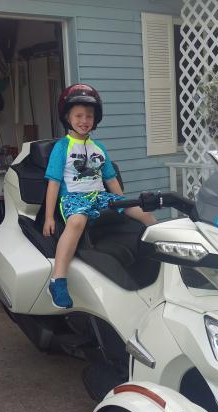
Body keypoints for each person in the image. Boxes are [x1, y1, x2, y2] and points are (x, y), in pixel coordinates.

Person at [42, 83, 156, 308]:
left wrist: (126, 204)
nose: (84, 120)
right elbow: (53, 183)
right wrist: (48, 217)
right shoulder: (62, 147)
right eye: (79, 115)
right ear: (67, 116)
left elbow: (111, 180)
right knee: (77, 221)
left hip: (100, 195)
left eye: (89, 116)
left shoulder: (99, 148)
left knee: (145, 215)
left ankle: (157, 257)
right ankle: (58, 280)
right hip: (74, 198)